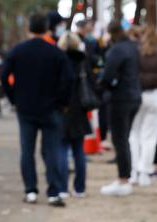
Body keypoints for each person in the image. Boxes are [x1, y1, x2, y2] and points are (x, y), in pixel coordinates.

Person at [1, 13, 70, 207]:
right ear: (48, 28)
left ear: (29, 28)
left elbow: (5, 76)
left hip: (25, 107)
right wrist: (62, 102)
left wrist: (13, 98)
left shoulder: (18, 51)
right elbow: (68, 80)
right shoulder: (56, 52)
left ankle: (30, 190)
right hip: (52, 109)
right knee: (52, 151)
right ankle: (54, 192)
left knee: (27, 150)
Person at [99, 22, 141, 196]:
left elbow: (108, 75)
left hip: (120, 98)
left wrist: (101, 87)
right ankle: (127, 177)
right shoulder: (132, 47)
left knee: (120, 138)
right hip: (134, 96)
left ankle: (123, 179)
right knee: (125, 138)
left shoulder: (117, 50)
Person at [128, 26, 157, 187]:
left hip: (137, 95)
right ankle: (144, 172)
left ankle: (133, 172)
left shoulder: (136, 53)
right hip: (154, 95)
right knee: (150, 137)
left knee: (134, 134)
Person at [57, 31, 92, 199]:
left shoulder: (58, 60)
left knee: (62, 149)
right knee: (79, 150)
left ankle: (62, 188)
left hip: (62, 107)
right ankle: (80, 188)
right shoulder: (83, 60)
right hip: (80, 107)